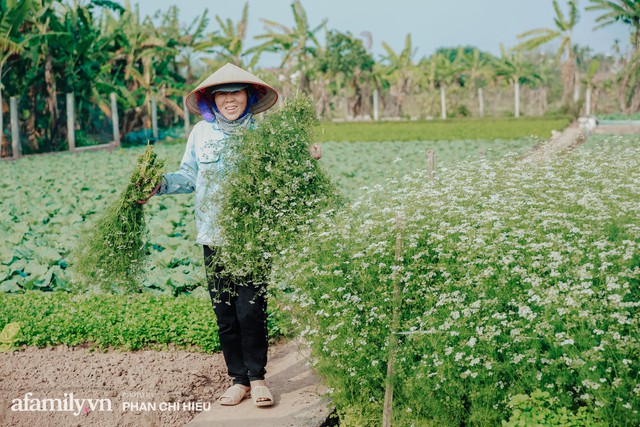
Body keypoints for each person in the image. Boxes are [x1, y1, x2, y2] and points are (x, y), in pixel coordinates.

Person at [138, 63, 321, 407]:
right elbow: (189, 174)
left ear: (248, 96)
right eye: (222, 94)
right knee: (224, 313)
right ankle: (238, 380)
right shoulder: (200, 134)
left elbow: (289, 172)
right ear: (212, 100)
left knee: (251, 310)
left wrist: (306, 157)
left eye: (236, 92)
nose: (229, 100)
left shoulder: (265, 133)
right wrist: (159, 185)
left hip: (252, 237)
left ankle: (258, 377)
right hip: (213, 235)